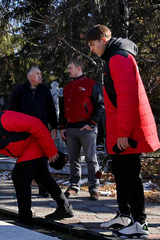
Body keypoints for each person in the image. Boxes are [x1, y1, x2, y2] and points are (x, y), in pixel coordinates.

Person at [85, 24, 160, 238]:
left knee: (130, 175)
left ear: (104, 39)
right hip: (121, 129)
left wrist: (124, 133)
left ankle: (140, 223)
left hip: (127, 132)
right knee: (120, 172)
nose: (91, 49)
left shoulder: (118, 58)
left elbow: (127, 99)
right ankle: (124, 215)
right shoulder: (114, 58)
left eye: (93, 44)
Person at [9, 66, 58, 197]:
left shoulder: (45, 91)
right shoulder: (19, 90)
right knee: (25, 159)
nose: (40, 76)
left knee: (42, 159)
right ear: (29, 77)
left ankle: (44, 189)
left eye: (41, 73)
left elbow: (51, 109)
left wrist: (54, 126)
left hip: (41, 131)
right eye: (37, 74)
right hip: (24, 132)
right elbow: (12, 111)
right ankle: (25, 187)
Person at [59, 60, 104, 200]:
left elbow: (101, 105)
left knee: (91, 159)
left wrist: (92, 123)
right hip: (70, 129)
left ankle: (94, 187)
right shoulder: (66, 88)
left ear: (79, 68)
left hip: (87, 128)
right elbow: (62, 108)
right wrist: (61, 127)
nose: (68, 71)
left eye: (70, 68)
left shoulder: (91, 84)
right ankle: (74, 186)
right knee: (73, 159)